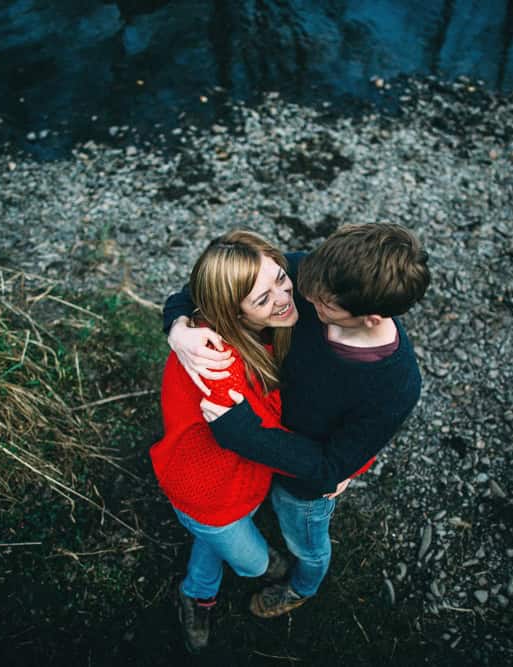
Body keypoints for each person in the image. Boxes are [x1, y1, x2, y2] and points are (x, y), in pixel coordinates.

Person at [164, 223, 431, 618]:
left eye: (324, 305)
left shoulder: (395, 385)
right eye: (298, 281)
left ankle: (302, 587)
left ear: (371, 317)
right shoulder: (318, 279)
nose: (300, 298)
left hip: (301, 485)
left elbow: (328, 467)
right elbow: (217, 285)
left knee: (307, 544)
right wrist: (177, 325)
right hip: (268, 447)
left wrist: (242, 433)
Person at [149, 229, 300, 654]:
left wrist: (175, 322)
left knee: (214, 542)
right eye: (262, 299)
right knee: (250, 562)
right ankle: (234, 577)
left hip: (238, 480)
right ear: (230, 312)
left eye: (278, 278)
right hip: (208, 493)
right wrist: (335, 466)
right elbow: (266, 437)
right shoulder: (218, 363)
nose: (282, 296)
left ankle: (198, 593)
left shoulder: (252, 327)